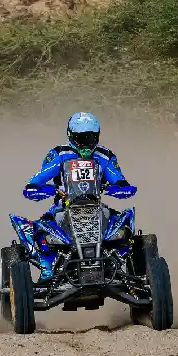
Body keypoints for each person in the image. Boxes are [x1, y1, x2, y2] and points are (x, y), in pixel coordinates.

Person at [20, 112, 137, 281]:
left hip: (96, 207)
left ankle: (123, 266)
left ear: (97, 136)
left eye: (90, 138)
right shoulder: (59, 154)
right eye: (81, 138)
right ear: (71, 136)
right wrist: (38, 189)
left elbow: (119, 180)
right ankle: (49, 269)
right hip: (62, 208)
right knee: (37, 230)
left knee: (124, 226)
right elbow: (37, 180)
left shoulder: (105, 156)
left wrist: (121, 188)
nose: (86, 144)